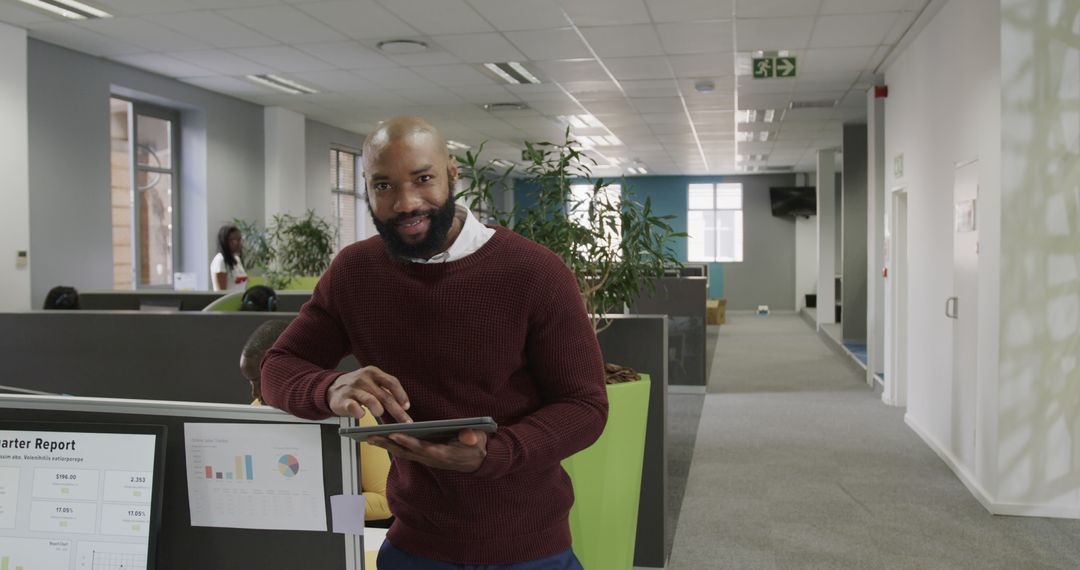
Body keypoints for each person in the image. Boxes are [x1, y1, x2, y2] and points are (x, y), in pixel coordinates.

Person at [261, 116, 608, 569]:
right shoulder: (354, 273)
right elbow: (277, 366)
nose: (406, 202)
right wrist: (329, 388)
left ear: (452, 174)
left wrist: (496, 452)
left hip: (527, 547)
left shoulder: (534, 272)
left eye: (423, 179)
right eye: (383, 185)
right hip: (412, 545)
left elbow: (585, 406)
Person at [240, 320, 392, 524]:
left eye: (260, 380)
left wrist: (307, 507)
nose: (254, 392)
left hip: (337, 543)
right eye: (250, 381)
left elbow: (384, 503)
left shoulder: (353, 414)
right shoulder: (256, 412)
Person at [211, 224, 247, 292]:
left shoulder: (237, 259)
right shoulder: (220, 260)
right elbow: (221, 292)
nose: (238, 243)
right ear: (225, 241)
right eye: (234, 240)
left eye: (239, 239)